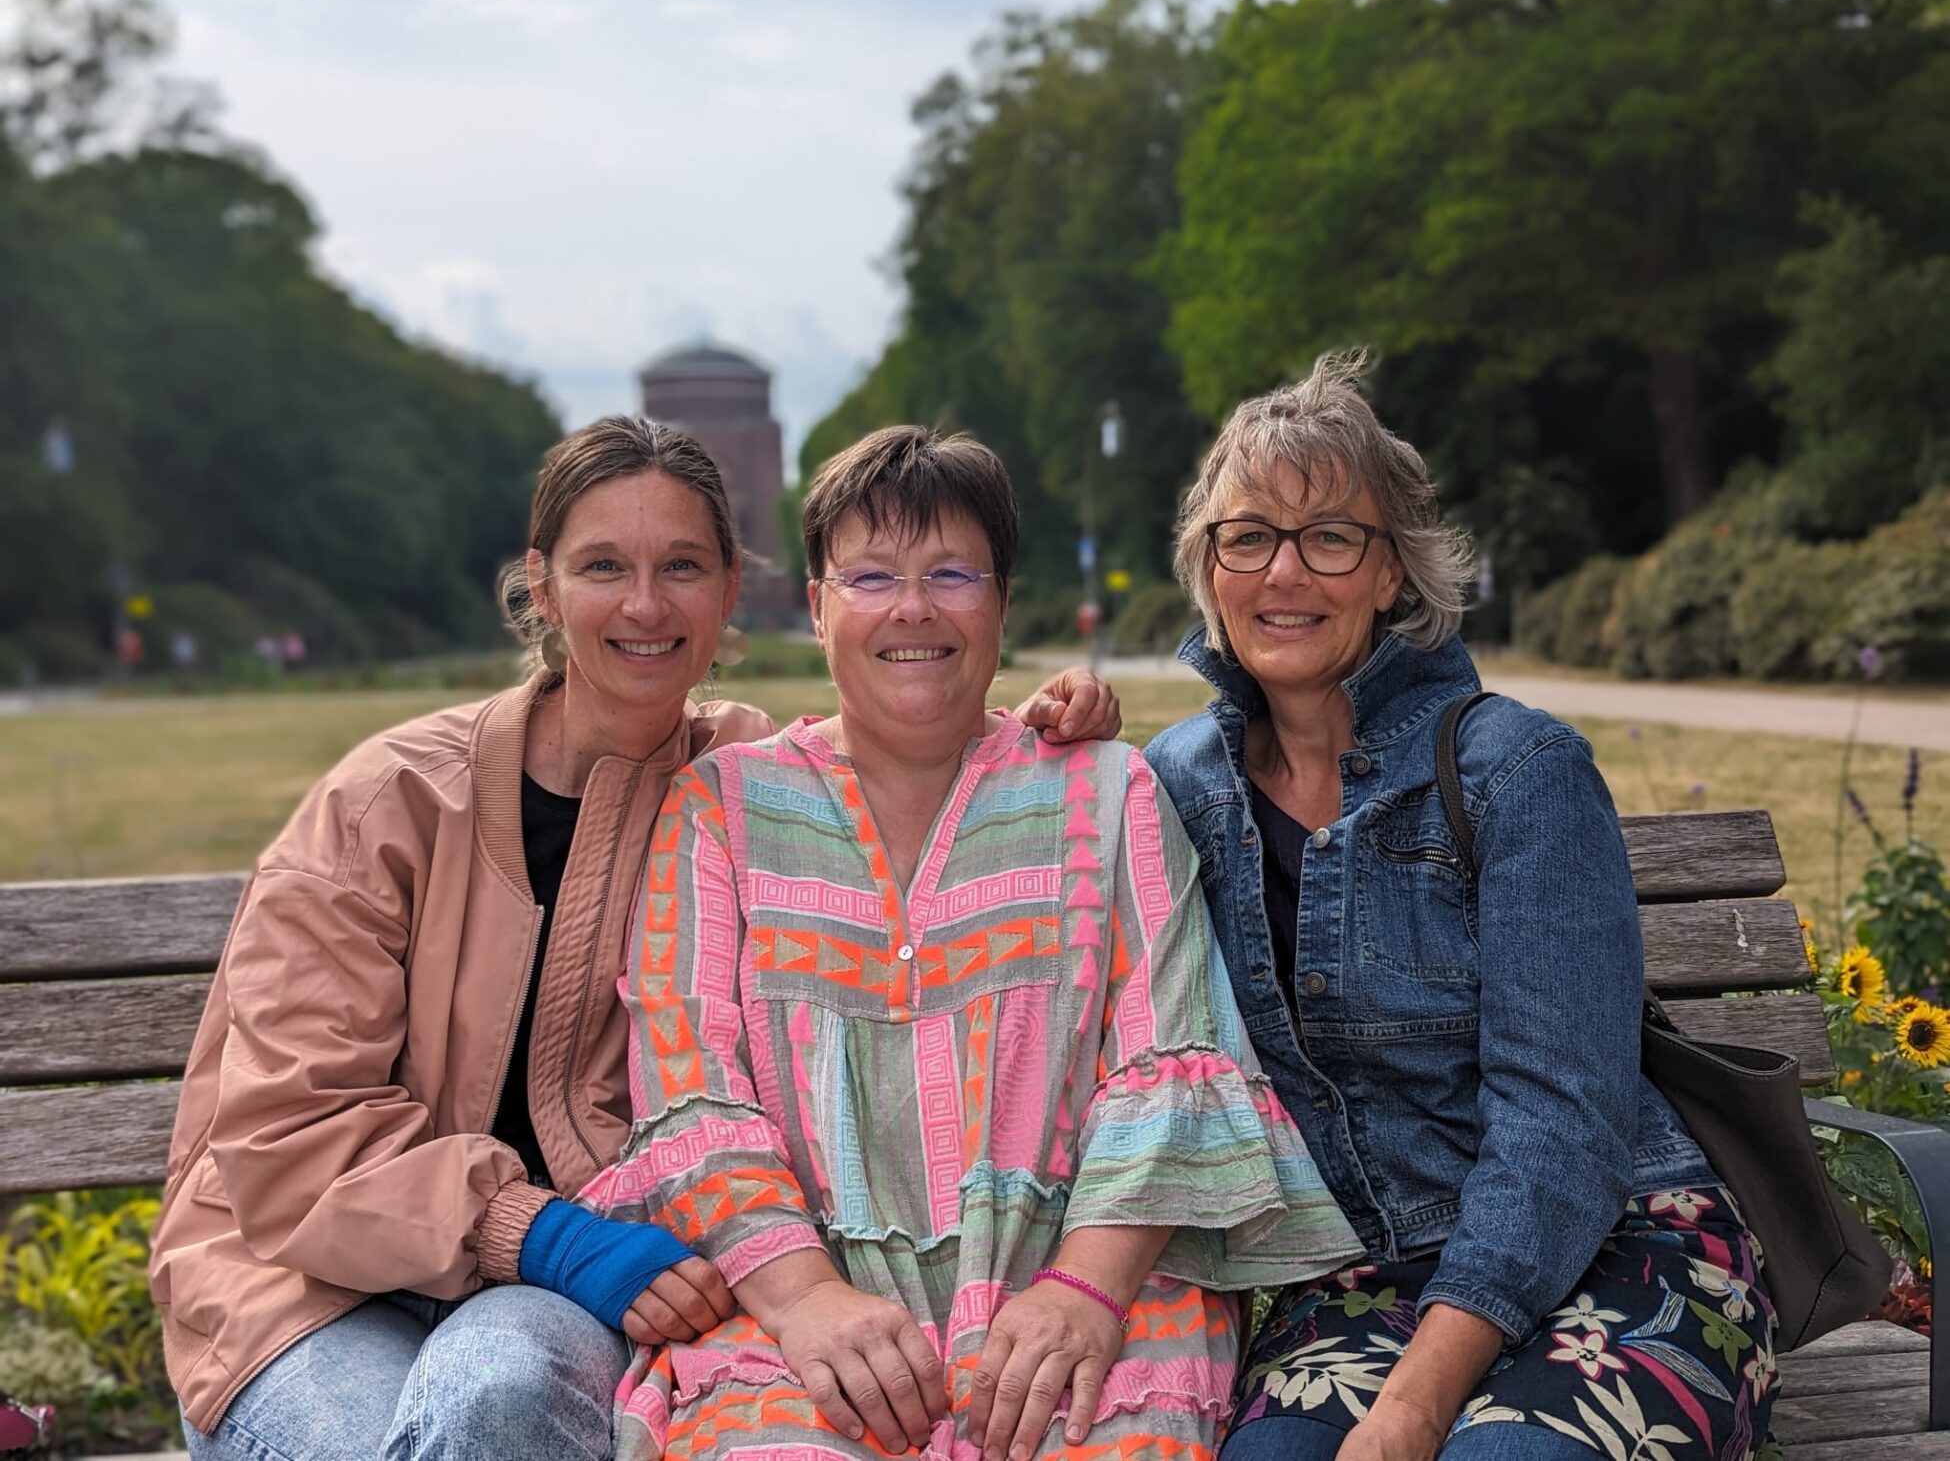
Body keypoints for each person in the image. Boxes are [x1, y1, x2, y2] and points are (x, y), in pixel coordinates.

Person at [149, 416, 1121, 1461]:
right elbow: (286, 1138)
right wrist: (543, 1232)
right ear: (543, 584)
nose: (646, 605)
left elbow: (910, 732)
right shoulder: (385, 805)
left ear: (730, 589)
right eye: (604, 565)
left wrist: (1042, 728)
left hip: (573, 1295)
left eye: (683, 566)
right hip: (311, 1288)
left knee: (500, 1399)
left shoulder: (750, 789)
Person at [578, 424, 1365, 1461]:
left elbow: (1168, 1060)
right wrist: (807, 1300)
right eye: (871, 576)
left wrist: (1084, 1289)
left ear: (1001, 602)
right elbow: (693, 1092)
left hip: (1089, 1293)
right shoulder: (720, 809)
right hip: (797, 1305)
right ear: (817, 605)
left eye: (952, 573)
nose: (913, 607)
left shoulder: (1104, 789)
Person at [1142, 356, 1780, 1461]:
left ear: (1392, 571)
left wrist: (1414, 1406)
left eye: (1329, 537)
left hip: (1620, 1245)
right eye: (1247, 537)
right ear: (1210, 566)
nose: (1283, 571)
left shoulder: (1518, 772)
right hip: (1365, 1278)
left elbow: (1562, 1129)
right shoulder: (1180, 782)